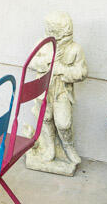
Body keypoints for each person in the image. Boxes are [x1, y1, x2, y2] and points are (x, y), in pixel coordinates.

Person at [26, 12, 88, 176]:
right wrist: (45, 63)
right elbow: (31, 62)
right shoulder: (42, 44)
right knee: (45, 117)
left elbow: (81, 72)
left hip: (61, 91)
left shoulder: (75, 48)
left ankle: (68, 147)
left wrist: (62, 69)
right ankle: (49, 147)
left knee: (63, 122)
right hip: (43, 90)